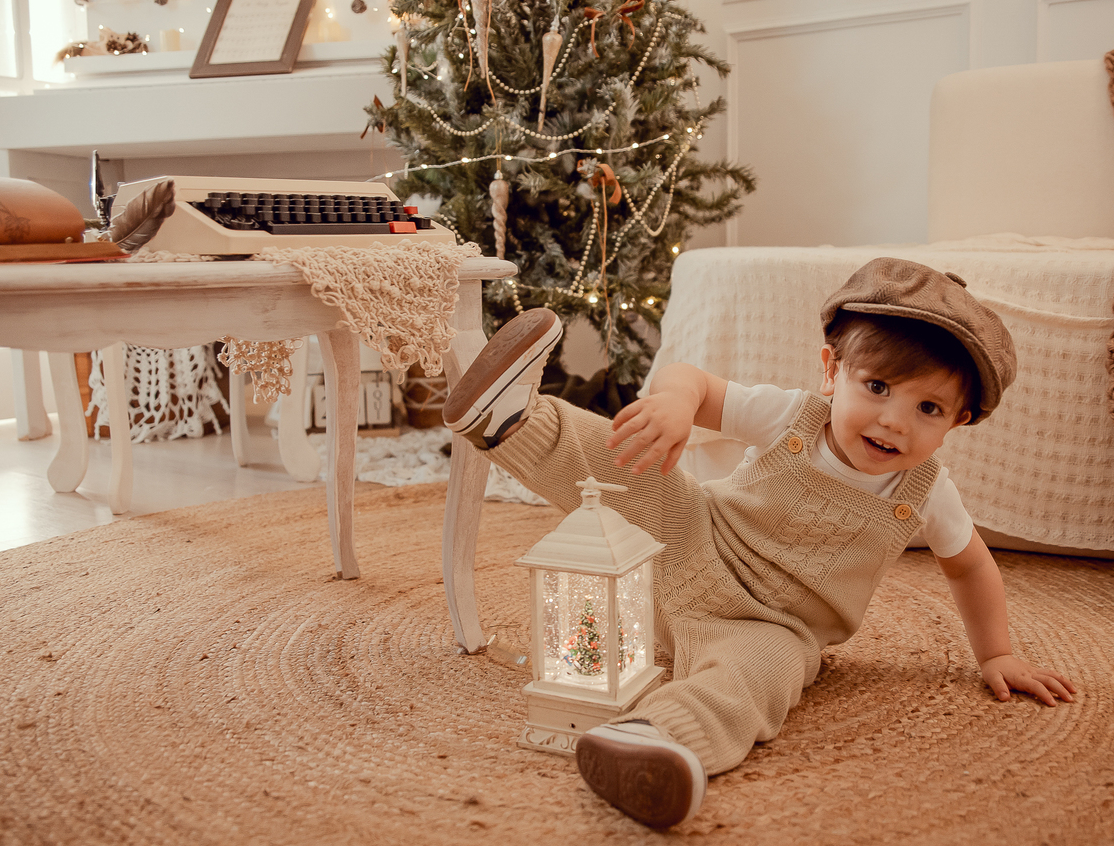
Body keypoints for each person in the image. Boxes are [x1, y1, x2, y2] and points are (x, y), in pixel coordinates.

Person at [441, 257, 1077, 829]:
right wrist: (675, 405)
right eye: (878, 388)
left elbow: (971, 569)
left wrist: (996, 653)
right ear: (832, 372)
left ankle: (656, 739)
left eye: (928, 409)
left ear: (958, 422)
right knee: (634, 468)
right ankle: (512, 421)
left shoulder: (928, 493)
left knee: (757, 678)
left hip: (772, 624)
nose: (893, 421)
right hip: (694, 537)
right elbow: (693, 380)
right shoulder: (789, 416)